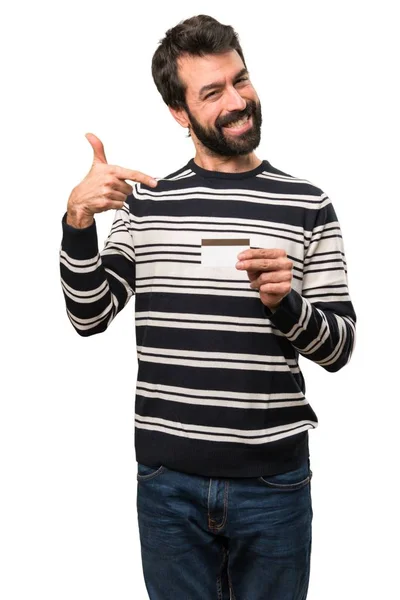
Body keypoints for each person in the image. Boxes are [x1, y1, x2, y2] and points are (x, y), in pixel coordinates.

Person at [59, 14, 356, 600]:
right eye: (213, 92)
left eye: (241, 80)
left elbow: (342, 347)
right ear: (179, 112)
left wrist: (287, 304)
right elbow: (89, 316)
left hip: (274, 485)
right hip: (169, 487)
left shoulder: (308, 203)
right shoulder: (147, 204)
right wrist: (77, 222)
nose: (239, 101)